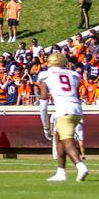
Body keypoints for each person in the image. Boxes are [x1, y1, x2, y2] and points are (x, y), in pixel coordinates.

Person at [37, 48, 89, 182]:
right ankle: (61, 172)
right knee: (59, 138)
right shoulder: (73, 74)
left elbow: (43, 104)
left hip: (63, 109)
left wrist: (45, 127)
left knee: (67, 142)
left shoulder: (45, 75)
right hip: (77, 108)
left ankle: (80, 165)